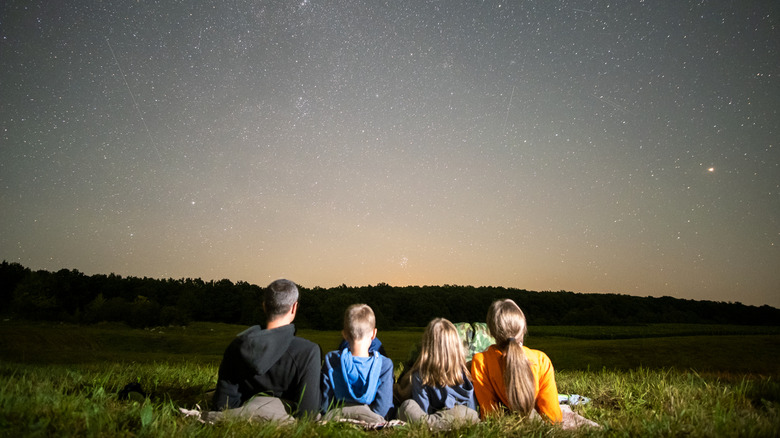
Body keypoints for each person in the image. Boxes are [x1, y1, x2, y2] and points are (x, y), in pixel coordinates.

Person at [210, 279, 321, 422]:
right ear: (294, 307)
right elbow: (308, 414)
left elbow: (222, 404)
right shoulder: (308, 351)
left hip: (239, 418)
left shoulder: (237, 345)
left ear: (264, 306)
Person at [471, 299, 562, 423]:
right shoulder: (542, 360)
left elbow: (489, 415)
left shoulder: (481, 361)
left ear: (492, 332)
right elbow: (553, 418)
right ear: (523, 328)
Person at [397, 318, 479, 430]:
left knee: (407, 407)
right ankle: (442, 426)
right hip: (460, 417)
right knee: (468, 414)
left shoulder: (420, 376)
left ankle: (434, 427)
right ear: (456, 346)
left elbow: (423, 411)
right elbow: (472, 406)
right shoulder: (463, 370)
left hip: (435, 419)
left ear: (427, 346)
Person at [321, 304, 394, 423]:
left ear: (344, 334)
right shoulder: (385, 365)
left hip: (336, 415)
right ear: (374, 334)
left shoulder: (332, 359)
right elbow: (383, 409)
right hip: (372, 419)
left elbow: (326, 402)